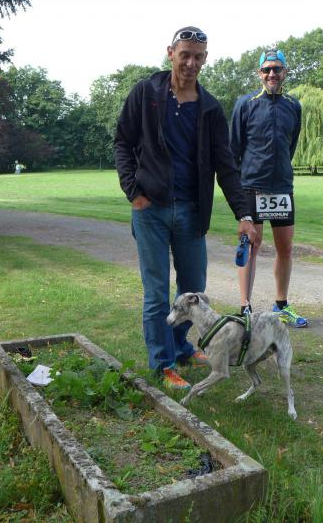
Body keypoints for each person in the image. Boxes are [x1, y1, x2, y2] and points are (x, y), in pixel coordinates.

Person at [115, 26, 257, 391]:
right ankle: (162, 364)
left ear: (205, 59)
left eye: (198, 57)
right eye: (185, 55)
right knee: (156, 292)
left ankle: (181, 348)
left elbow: (226, 165)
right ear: (170, 53)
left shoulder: (209, 108)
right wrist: (133, 191)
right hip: (151, 209)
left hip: (192, 210)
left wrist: (244, 215)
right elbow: (123, 142)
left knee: (194, 288)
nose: (191, 63)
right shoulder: (146, 93)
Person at [230, 49, 308, 328]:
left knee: (285, 248)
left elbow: (290, 145)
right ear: (259, 74)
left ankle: (281, 305)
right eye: (267, 70)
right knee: (250, 245)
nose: (272, 74)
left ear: (285, 72)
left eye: (277, 69)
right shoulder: (245, 104)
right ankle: (245, 308)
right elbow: (233, 149)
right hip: (251, 185)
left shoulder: (293, 105)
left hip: (282, 187)